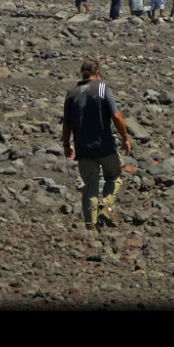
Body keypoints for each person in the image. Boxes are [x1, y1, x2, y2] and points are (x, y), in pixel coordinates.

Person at [62, 58, 132, 231]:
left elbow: (67, 123)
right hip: (104, 145)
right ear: (98, 72)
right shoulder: (102, 89)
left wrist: (66, 144)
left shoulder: (72, 93)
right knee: (115, 175)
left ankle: (90, 227)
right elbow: (116, 116)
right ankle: (106, 206)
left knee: (90, 185)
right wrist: (125, 137)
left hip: (83, 148)